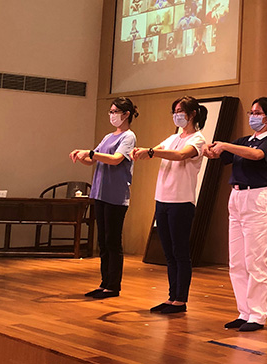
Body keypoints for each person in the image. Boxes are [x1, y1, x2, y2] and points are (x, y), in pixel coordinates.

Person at [205, 98, 267, 333]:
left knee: (255, 260)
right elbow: (219, 155)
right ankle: (244, 311)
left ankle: (257, 315)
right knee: (237, 261)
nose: (252, 116)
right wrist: (211, 150)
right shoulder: (245, 140)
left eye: (257, 113)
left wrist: (226, 146)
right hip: (237, 198)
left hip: (257, 198)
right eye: (251, 112)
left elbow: (257, 156)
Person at [132, 96, 208, 314]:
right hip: (162, 200)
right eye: (174, 111)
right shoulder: (173, 137)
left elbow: (180, 155)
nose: (176, 115)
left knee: (180, 252)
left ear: (192, 114)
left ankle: (180, 300)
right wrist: (141, 151)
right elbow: (155, 150)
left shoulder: (198, 139)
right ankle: (171, 296)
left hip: (181, 202)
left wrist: (152, 152)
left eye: (180, 111)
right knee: (168, 253)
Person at [70, 98, 138, 299]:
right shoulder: (108, 136)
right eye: (111, 111)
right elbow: (93, 159)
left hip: (115, 195)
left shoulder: (129, 136)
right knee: (103, 241)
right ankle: (104, 282)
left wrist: (91, 153)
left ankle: (113, 285)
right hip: (100, 193)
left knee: (112, 240)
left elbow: (116, 159)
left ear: (126, 114)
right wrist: (82, 156)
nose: (112, 115)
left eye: (115, 111)